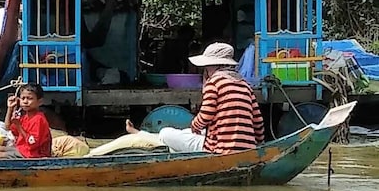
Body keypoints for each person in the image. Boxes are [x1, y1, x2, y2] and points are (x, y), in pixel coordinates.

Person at [95, 42, 265, 156]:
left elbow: (205, 116)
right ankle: (142, 134)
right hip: (246, 149)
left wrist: (195, 126)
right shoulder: (244, 85)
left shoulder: (215, 82)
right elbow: (258, 123)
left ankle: (144, 135)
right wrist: (258, 145)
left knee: (166, 133)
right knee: (187, 133)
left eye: (206, 67)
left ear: (213, 66)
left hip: (218, 149)